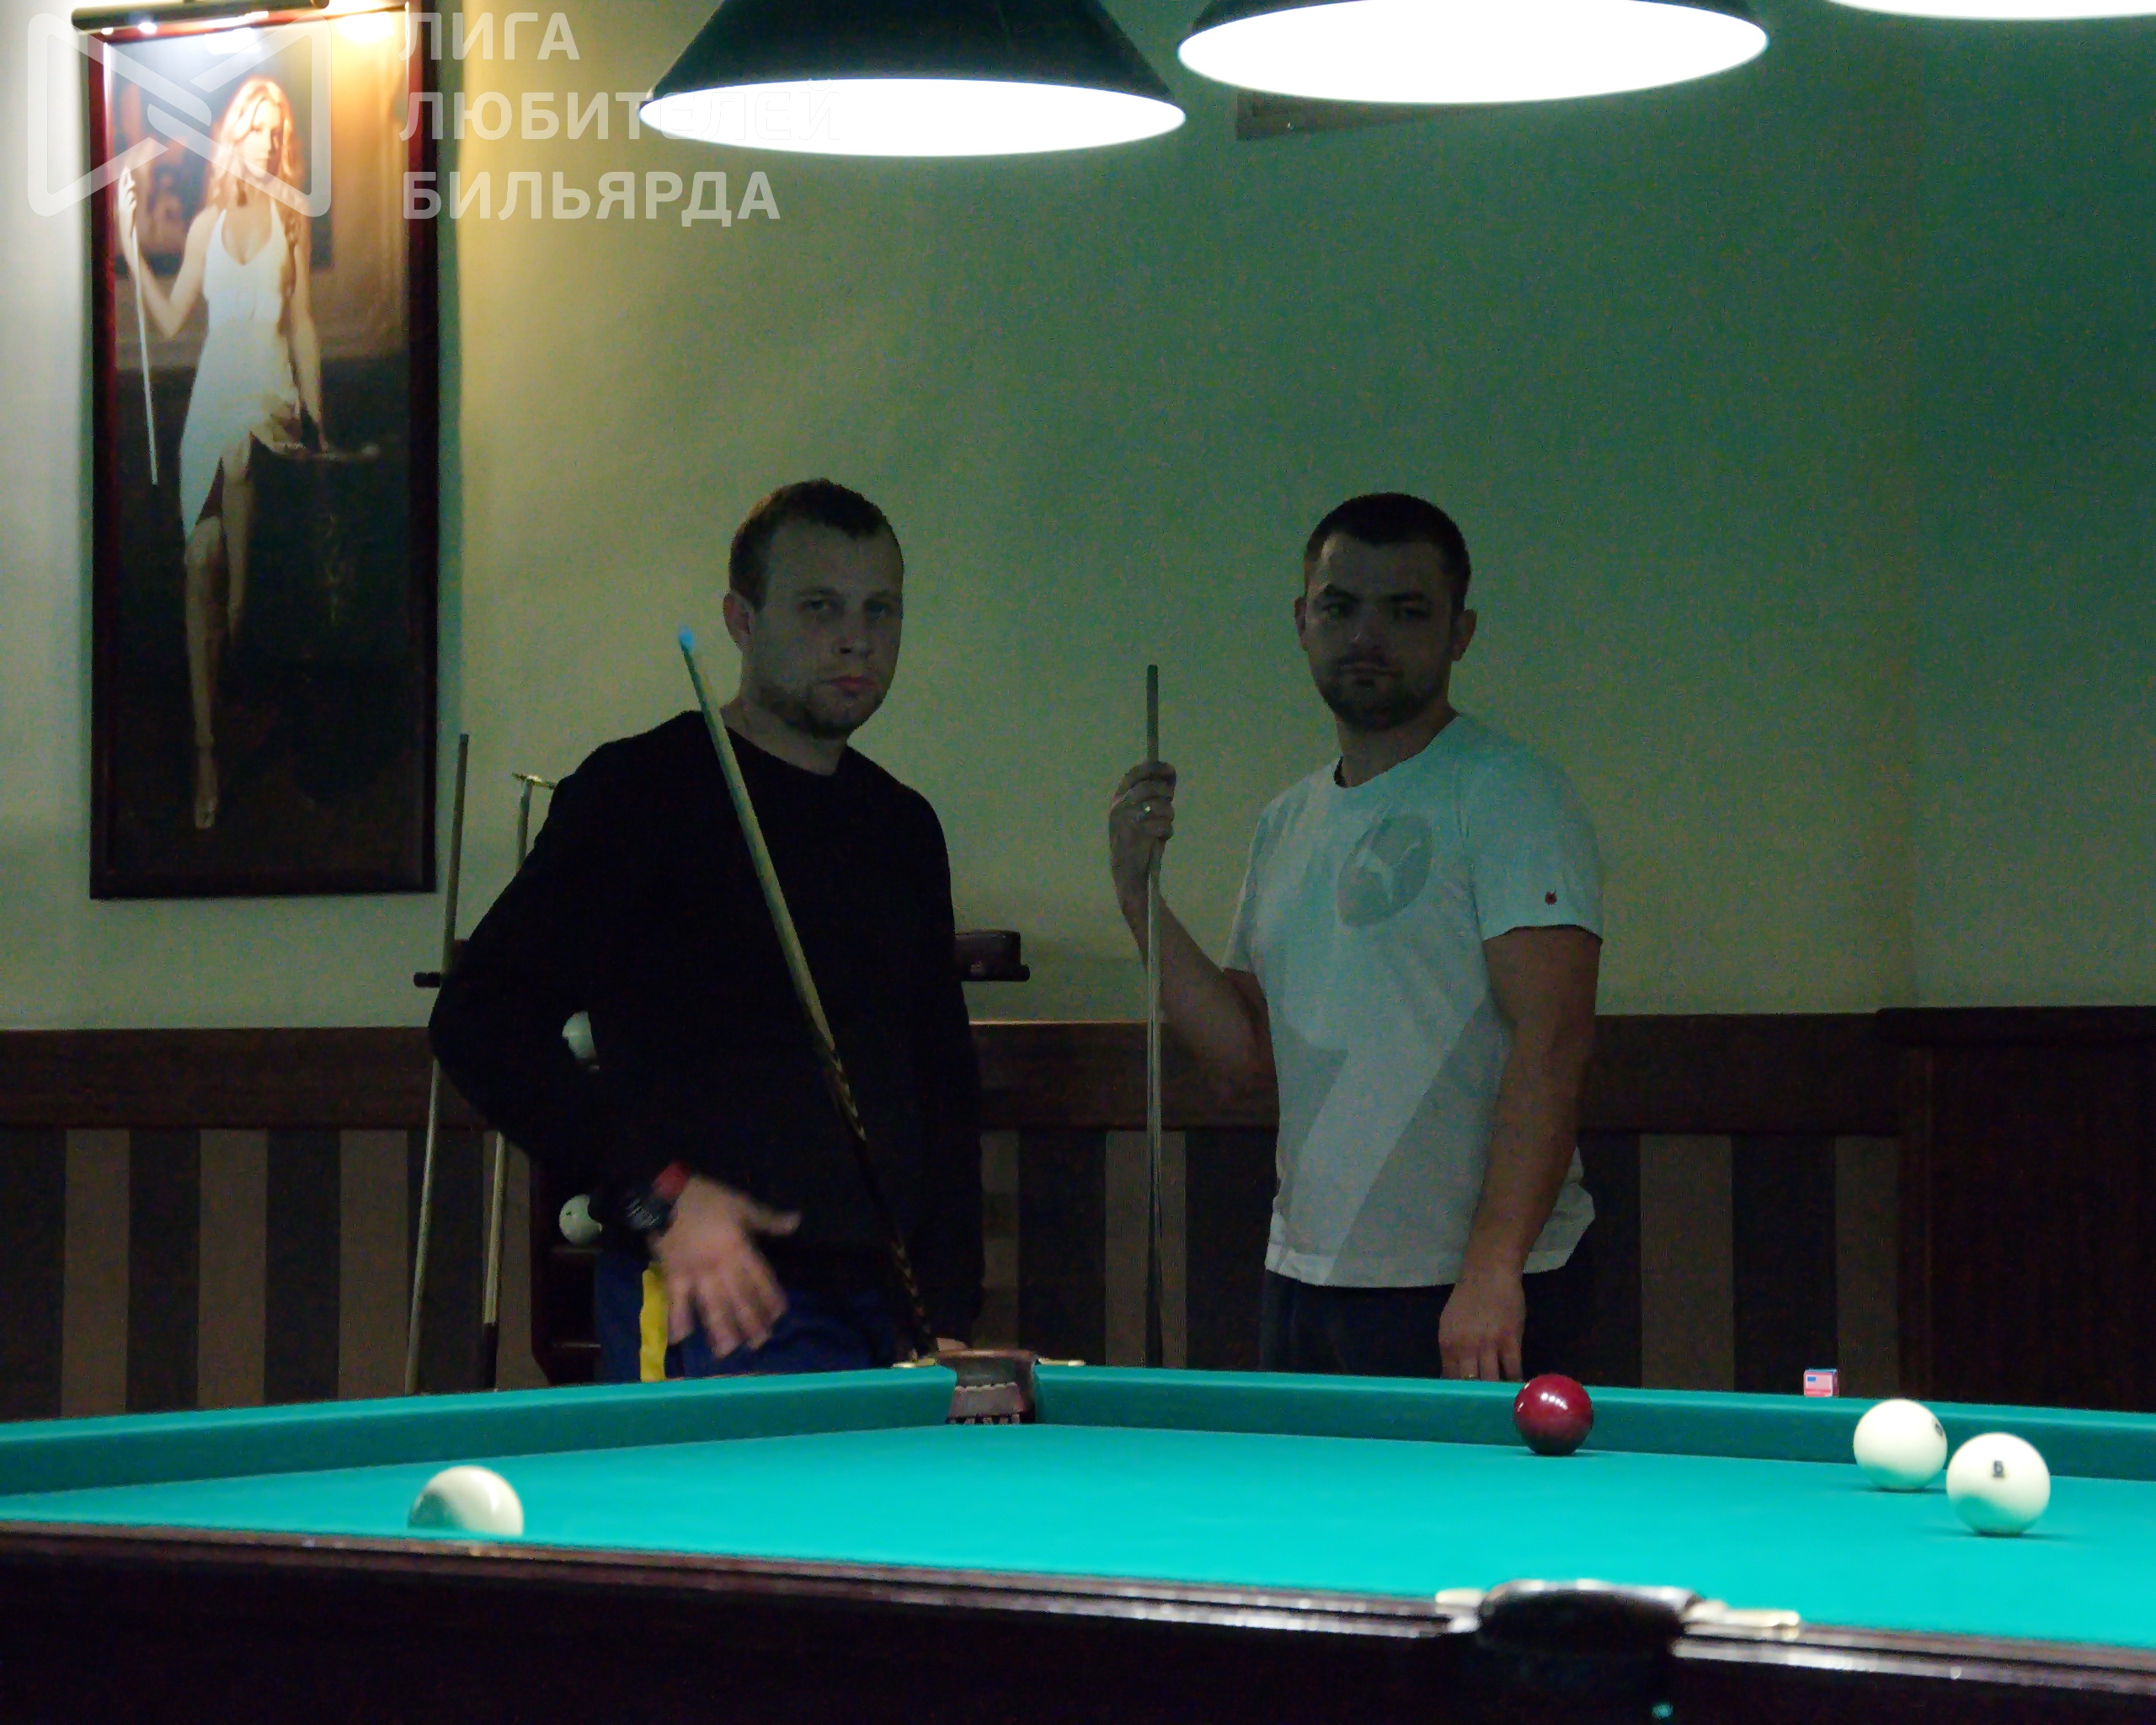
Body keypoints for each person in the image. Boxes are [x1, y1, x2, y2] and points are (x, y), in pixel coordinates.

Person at [432, 481, 981, 1381]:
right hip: (712, 1306)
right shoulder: (639, 793)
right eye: (819, 606)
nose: (857, 638)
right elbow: (478, 1020)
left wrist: (947, 1312)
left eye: (880, 609)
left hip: (885, 1314)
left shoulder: (902, 827)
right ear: (740, 620)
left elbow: (941, 1084)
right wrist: (659, 1196)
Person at [1109, 493, 1601, 1384]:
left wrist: (1491, 1271)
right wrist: (1139, 896)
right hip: (1306, 1274)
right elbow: (1243, 1055)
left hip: (1471, 1288)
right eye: (1340, 608)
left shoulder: (1509, 792)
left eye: (1405, 611)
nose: (1366, 635)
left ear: (1460, 632)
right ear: (1302, 621)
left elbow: (1554, 1035)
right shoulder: (1285, 822)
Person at [115, 76, 325, 830]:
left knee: (242, 449)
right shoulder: (204, 225)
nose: (267, 142)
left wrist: (320, 425)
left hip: (269, 406)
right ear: (233, 135)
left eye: (278, 132)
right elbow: (173, 321)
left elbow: (302, 326)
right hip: (212, 408)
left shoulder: (291, 218)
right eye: (256, 128)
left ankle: (240, 621)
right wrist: (131, 252)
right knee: (196, 561)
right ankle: (207, 752)